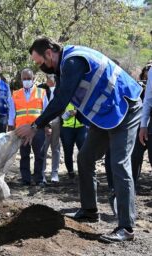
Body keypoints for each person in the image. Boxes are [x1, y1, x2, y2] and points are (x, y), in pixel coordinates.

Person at [16, 37, 142, 242]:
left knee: (119, 163)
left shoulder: (73, 61)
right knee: (85, 158)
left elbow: (61, 99)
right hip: (106, 114)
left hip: (125, 108)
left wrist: (35, 126)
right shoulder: (63, 68)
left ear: (49, 53)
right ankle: (90, 210)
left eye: (40, 63)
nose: (41, 68)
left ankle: (126, 228)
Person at [8, 68, 47, 186]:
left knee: (39, 154)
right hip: (21, 130)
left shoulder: (42, 92)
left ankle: (39, 179)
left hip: (37, 129)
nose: (26, 81)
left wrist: (47, 126)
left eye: (29, 79)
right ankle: (26, 179)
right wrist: (10, 127)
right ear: (21, 79)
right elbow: (12, 112)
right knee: (24, 155)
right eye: (24, 79)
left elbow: (46, 111)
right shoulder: (15, 94)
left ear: (33, 78)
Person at [38, 76, 61, 182]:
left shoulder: (61, 89)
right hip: (45, 121)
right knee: (44, 147)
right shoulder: (41, 89)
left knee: (55, 148)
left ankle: (54, 173)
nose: (50, 80)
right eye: (48, 78)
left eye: (52, 78)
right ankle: (41, 173)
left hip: (57, 121)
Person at [133, 62, 152, 184]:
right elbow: (148, 100)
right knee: (136, 156)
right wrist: (143, 125)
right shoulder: (137, 87)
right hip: (144, 125)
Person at [60, 103, 87, 179]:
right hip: (67, 128)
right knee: (68, 152)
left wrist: (77, 113)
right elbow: (60, 114)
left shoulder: (82, 95)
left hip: (81, 127)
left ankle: (86, 173)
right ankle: (70, 173)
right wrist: (68, 114)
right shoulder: (66, 96)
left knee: (84, 151)